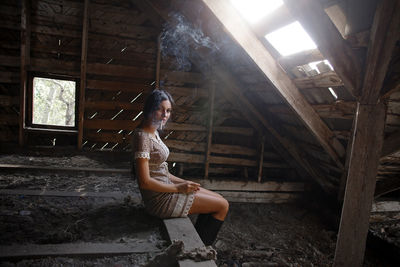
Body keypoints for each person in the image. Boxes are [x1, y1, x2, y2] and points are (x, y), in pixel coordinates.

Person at [132, 89, 229, 246]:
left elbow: (161, 172)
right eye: (160, 109)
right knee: (223, 206)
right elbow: (145, 182)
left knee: (219, 198)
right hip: (159, 200)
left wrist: (184, 182)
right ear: (150, 109)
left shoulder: (153, 132)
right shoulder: (142, 137)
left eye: (168, 111)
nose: (165, 115)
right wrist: (179, 188)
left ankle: (198, 242)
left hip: (166, 188)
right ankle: (201, 249)